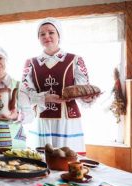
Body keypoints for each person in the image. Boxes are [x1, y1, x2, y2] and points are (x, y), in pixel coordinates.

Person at [21, 18, 97, 153]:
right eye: (42, 34)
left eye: (51, 32)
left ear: (59, 35)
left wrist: (88, 98)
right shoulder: (30, 63)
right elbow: (26, 95)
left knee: (68, 161)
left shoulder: (75, 60)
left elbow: (82, 91)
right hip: (43, 120)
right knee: (43, 161)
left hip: (67, 121)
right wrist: (45, 98)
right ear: (38, 38)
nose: (47, 36)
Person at [0, 46, 34, 151]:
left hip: (16, 146)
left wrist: (16, 115)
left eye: (0, 58)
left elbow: (31, 115)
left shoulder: (19, 86)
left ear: (6, 60)